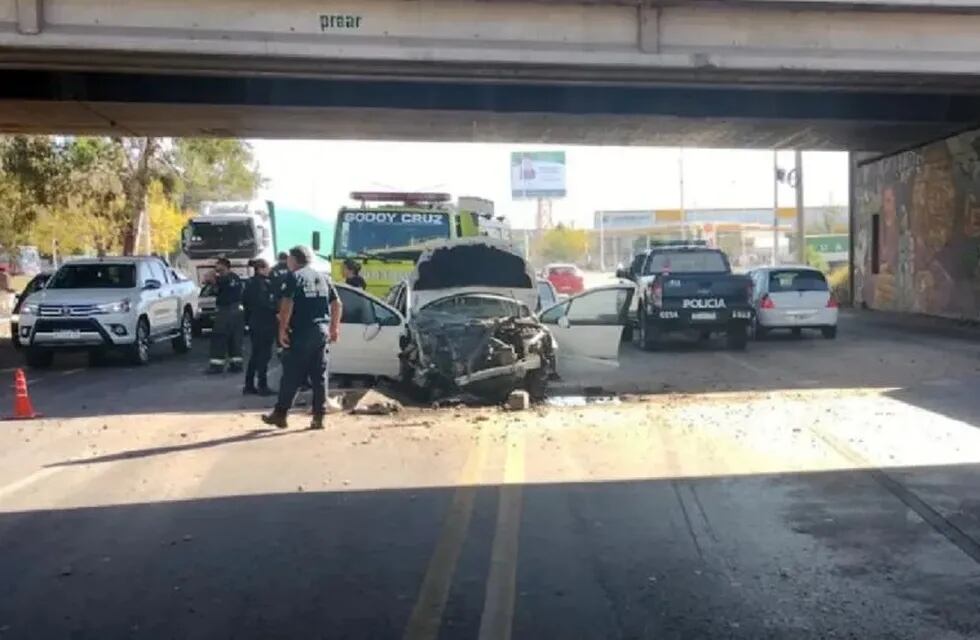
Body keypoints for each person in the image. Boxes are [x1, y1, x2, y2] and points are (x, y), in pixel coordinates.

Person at [262, 246, 341, 430]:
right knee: (319, 376)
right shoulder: (323, 278)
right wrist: (334, 328)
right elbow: (337, 303)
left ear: (294, 259)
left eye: (289, 258)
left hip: (301, 332)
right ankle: (318, 418)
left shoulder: (294, 276)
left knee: (291, 375)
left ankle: (280, 414)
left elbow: (288, 302)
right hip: (321, 332)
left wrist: (282, 328)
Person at [242, 258, 277, 395]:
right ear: (261, 269)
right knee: (264, 355)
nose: (270, 270)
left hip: (254, 322)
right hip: (265, 323)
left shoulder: (249, 283)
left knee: (255, 354)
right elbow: (266, 303)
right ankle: (262, 386)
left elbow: (245, 302)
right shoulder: (263, 284)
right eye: (267, 268)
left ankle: (249, 384)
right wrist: (276, 309)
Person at [207, 257, 245, 374]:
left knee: (219, 336)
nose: (216, 268)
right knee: (235, 338)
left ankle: (216, 366)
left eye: (218, 266)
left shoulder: (223, 278)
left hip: (225, 310)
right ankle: (236, 364)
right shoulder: (235, 278)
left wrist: (212, 275)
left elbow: (210, 281)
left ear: (224, 266)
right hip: (237, 311)